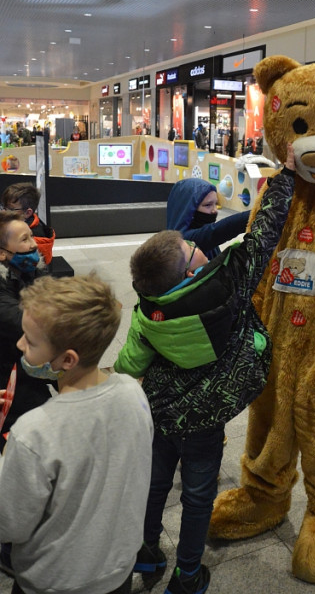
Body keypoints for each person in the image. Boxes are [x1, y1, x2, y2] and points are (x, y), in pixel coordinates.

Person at [114, 144, 296, 594]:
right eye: (189, 250)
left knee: (155, 486)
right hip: (204, 420)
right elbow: (261, 236)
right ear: (190, 273)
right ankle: (188, 574)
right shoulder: (225, 290)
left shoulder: (148, 307)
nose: (197, 247)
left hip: (160, 414)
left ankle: (147, 551)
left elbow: (127, 365)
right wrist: (287, 175)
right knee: (197, 498)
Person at [0, 274, 153, 594]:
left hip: (53, 581)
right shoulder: (133, 392)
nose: (19, 344)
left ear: (67, 359)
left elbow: (9, 524)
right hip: (116, 570)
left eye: (29, 340)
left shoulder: (33, 432)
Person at [0, 211, 49, 452]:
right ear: (2, 252)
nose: (33, 244)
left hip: (32, 366)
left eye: (31, 236)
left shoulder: (34, 268)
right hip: (8, 374)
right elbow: (25, 322)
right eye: (24, 239)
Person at [166, 178, 250, 260]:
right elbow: (217, 231)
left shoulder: (205, 238)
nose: (215, 210)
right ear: (188, 209)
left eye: (215, 204)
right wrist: (253, 214)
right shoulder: (183, 242)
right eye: (208, 205)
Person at [1, 183, 55, 265]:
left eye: (10, 210)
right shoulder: (21, 225)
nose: (4, 212)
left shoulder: (35, 238)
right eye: (3, 207)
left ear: (27, 212)